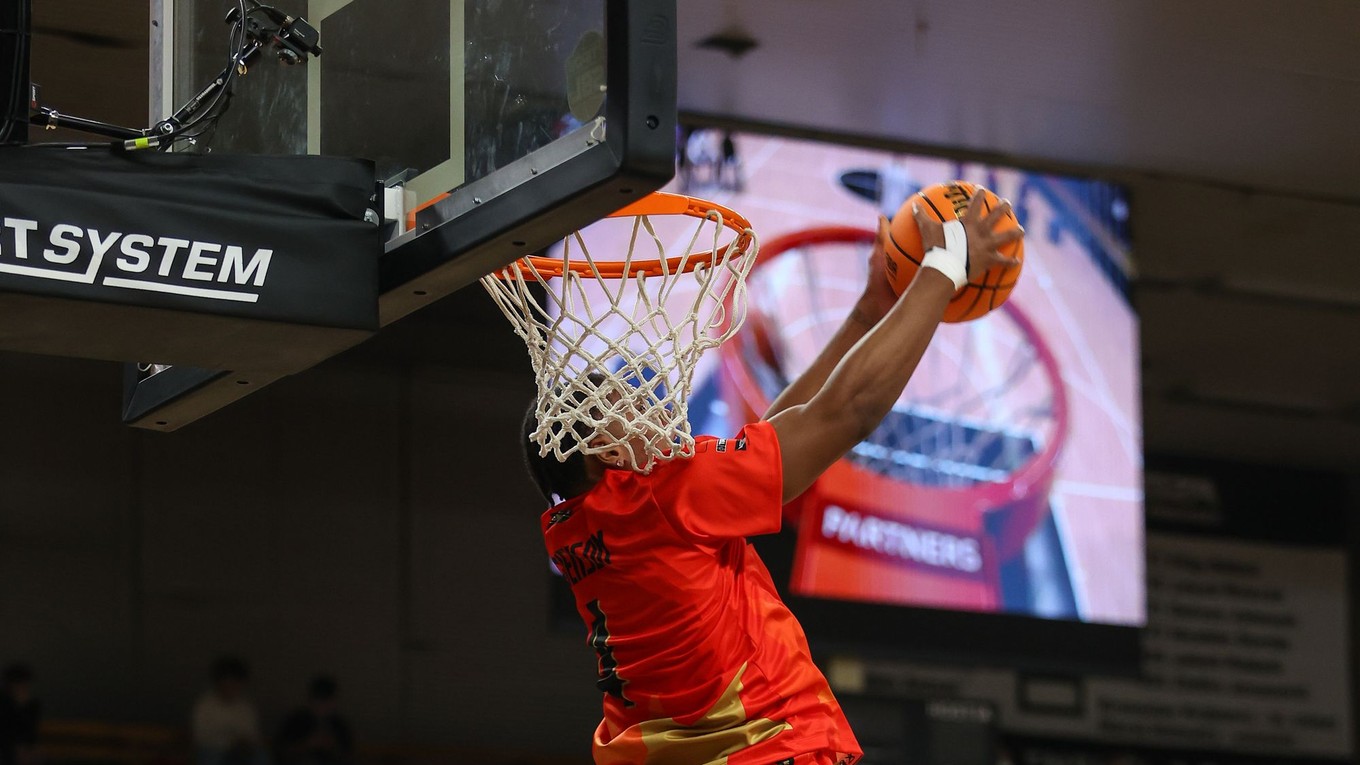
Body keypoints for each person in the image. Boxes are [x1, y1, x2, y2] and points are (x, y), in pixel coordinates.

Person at [522, 194, 1024, 765]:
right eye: (624, 403)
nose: (645, 402)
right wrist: (942, 272)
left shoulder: (588, 525)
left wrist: (869, 314)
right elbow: (847, 413)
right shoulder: (663, 494)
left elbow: (778, 437)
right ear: (604, 450)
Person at [192, 656, 268, 765]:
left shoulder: (245, 707)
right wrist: (229, 743)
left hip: (240, 751)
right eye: (228, 682)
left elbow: (251, 734)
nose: (231, 687)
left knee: (261, 756)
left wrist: (245, 743)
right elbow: (201, 737)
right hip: (214, 750)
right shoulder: (204, 706)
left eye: (236, 683)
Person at [273, 676, 353, 765]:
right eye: (319, 701)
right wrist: (307, 744)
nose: (323, 707)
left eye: (328, 702)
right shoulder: (296, 721)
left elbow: (348, 755)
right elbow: (280, 752)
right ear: (310, 700)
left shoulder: (339, 724)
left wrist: (332, 746)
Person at [0, 663, 40, 765]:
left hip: (24, 747)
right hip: (7, 747)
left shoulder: (32, 704)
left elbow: (30, 730)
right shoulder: (4, 703)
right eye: (19, 683)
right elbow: (7, 728)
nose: (22, 687)